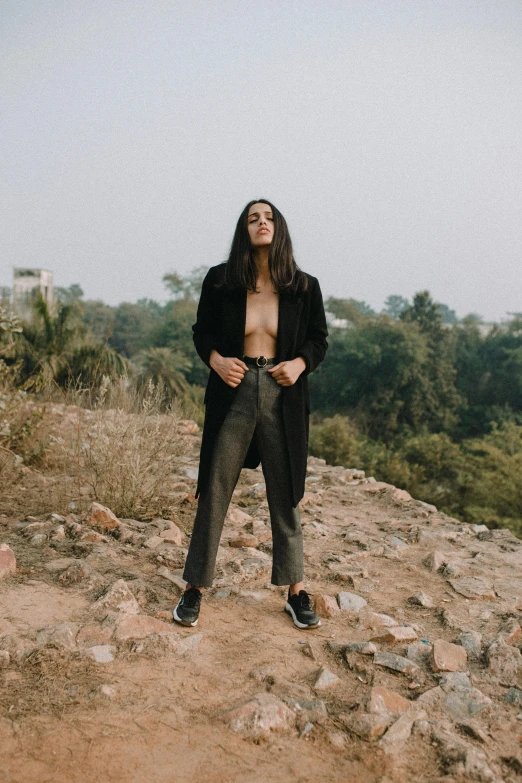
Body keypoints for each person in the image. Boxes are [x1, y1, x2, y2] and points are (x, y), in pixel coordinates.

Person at [173, 199, 328, 629]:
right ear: (245, 230)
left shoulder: (303, 286)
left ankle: (296, 592)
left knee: (286, 493)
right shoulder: (221, 281)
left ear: (280, 229)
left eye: (270, 217)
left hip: (282, 395)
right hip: (233, 391)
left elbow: (319, 339)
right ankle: (194, 588)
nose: (262, 223)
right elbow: (201, 331)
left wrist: (299, 365)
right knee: (214, 487)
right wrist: (217, 360)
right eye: (253, 218)